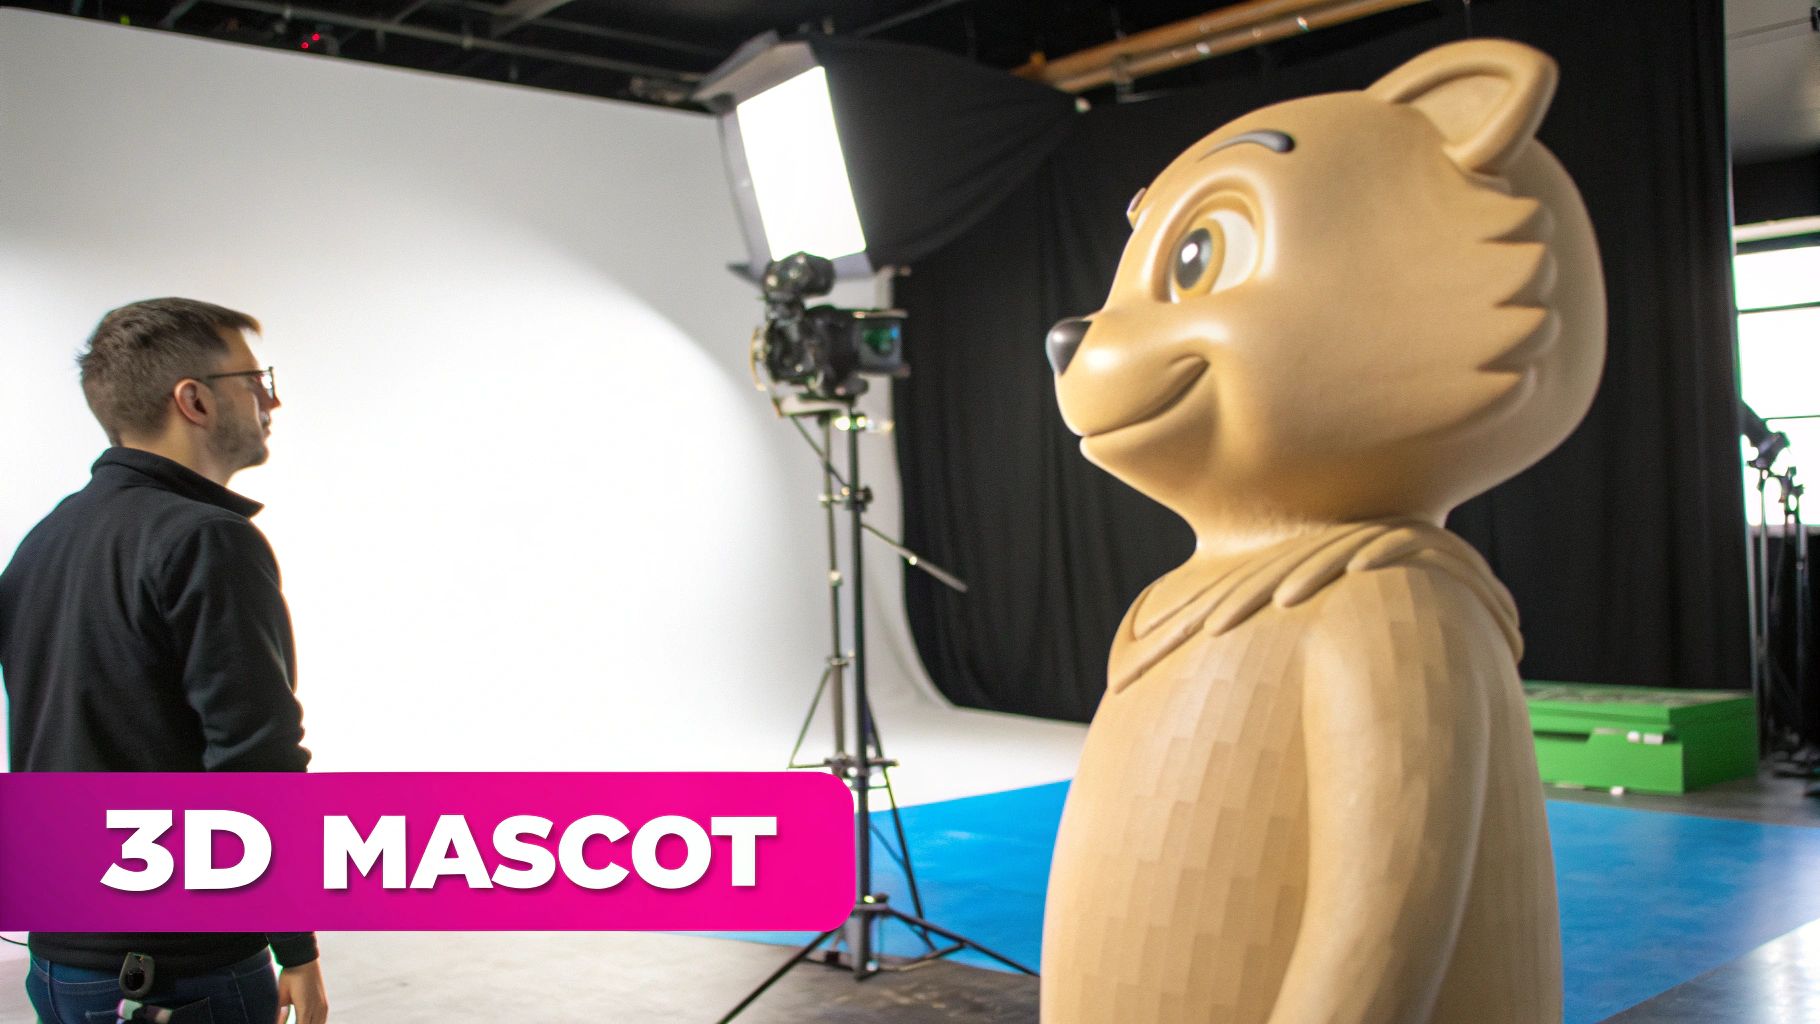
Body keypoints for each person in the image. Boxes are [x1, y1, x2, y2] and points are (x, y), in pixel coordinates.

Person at [0, 298, 329, 1024]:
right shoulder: (208, 541)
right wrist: (296, 950)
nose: (271, 399)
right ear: (196, 399)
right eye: (255, 378)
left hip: (63, 960)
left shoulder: (45, 539)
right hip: (179, 972)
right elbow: (255, 760)